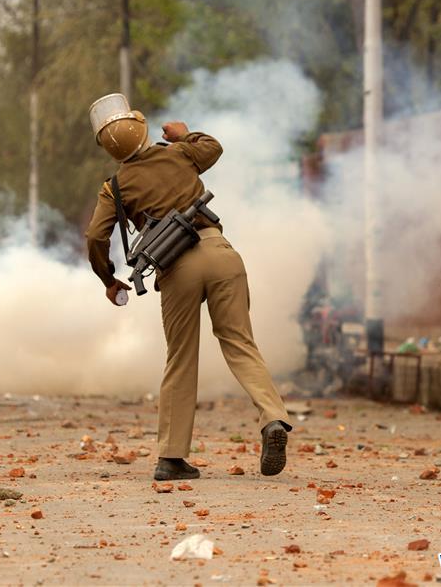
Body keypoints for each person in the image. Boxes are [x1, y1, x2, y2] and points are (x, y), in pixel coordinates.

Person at [84, 93, 292, 481]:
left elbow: (96, 236)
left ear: (109, 149)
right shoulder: (179, 154)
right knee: (239, 342)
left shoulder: (114, 187)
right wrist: (183, 135)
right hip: (220, 252)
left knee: (180, 359)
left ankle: (172, 458)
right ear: (142, 129)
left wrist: (108, 278)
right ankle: (273, 419)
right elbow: (213, 147)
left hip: (176, 267)